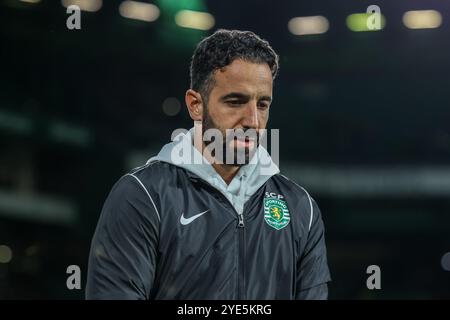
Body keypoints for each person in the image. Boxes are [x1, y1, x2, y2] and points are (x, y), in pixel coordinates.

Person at [86, 29, 331, 300]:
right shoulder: (143, 196)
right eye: (235, 101)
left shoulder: (301, 208)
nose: (252, 120)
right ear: (195, 105)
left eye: (262, 104)